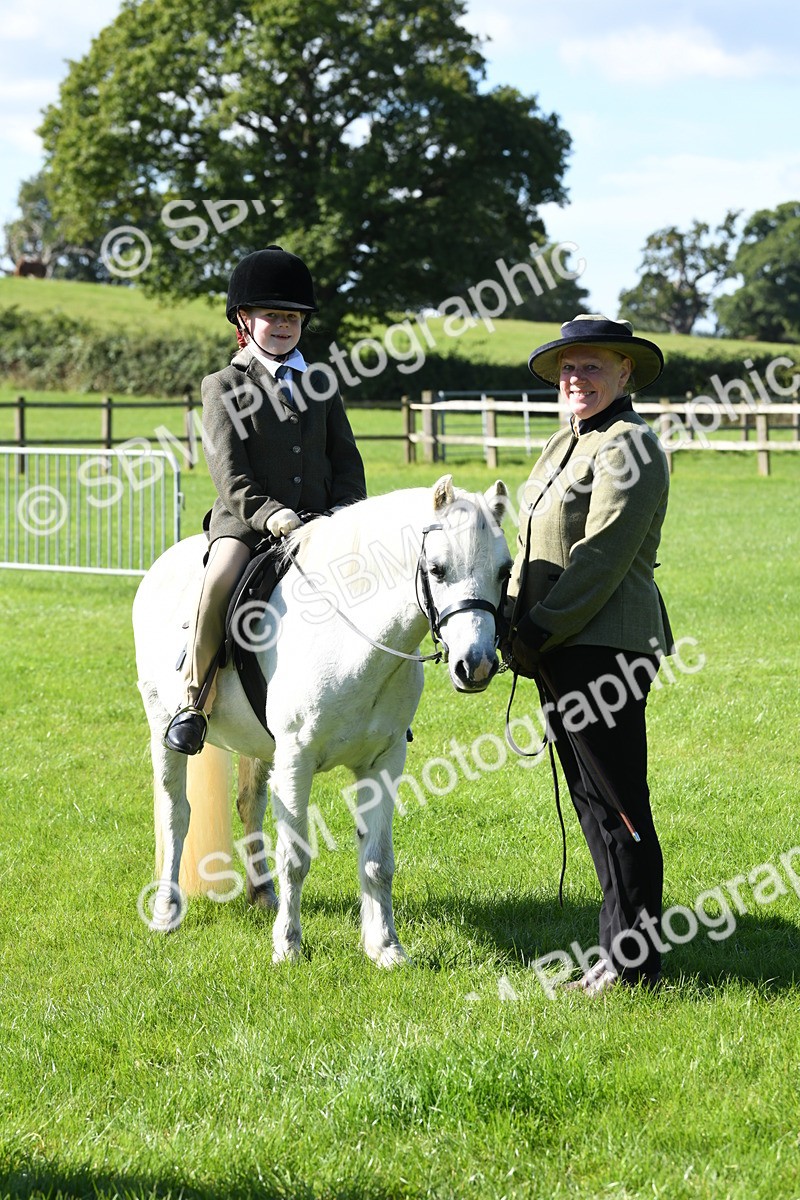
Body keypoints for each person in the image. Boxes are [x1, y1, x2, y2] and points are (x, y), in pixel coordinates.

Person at [504, 314, 673, 996]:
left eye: (593, 366)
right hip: (558, 646)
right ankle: (615, 952)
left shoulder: (631, 444)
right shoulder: (566, 442)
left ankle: (634, 966)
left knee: (620, 808)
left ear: (625, 372)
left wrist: (536, 629)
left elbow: (600, 557)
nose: (577, 378)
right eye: (569, 368)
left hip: (604, 647)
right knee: (593, 805)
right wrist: (510, 621)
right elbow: (530, 546)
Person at [163, 245, 367, 755]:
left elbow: (346, 459)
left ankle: (375, 705)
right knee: (218, 583)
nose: (283, 325)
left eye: (292, 317)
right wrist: (270, 513)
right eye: (271, 316)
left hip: (321, 521)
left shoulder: (321, 384)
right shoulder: (223, 385)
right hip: (247, 523)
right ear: (243, 320)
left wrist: (346, 512)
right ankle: (195, 698)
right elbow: (229, 474)